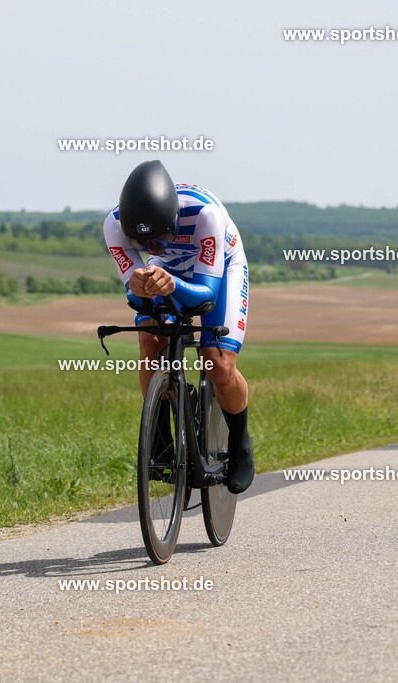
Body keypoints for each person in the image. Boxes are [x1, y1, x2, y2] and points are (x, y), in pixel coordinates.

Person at [103, 160, 253, 494]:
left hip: (218, 268)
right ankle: (158, 437)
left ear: (173, 220)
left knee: (216, 360)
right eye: (144, 245)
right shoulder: (113, 226)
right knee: (150, 342)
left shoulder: (204, 215)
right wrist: (138, 285)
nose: (152, 249)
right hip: (166, 271)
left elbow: (206, 296)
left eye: (159, 239)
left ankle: (241, 443)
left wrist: (172, 285)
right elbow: (133, 289)